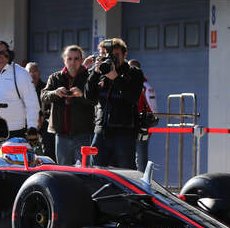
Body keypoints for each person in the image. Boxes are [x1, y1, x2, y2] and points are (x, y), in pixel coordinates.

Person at [83, 38, 143, 168]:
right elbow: (89, 97)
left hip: (124, 132)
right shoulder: (99, 72)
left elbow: (132, 98)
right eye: (106, 55)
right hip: (101, 131)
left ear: (125, 54)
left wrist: (116, 78)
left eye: (116, 55)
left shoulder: (134, 73)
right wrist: (95, 73)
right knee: (97, 171)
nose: (111, 59)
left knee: (125, 174)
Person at [41, 45, 94, 165]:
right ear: (64, 60)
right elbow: (43, 96)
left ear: (81, 60)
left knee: (85, 170)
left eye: (76, 59)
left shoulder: (89, 77)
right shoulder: (55, 77)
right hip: (62, 134)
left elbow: (95, 100)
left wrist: (82, 95)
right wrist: (56, 93)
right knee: (64, 171)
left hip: (83, 133)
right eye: (69, 58)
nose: (73, 62)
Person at [129, 59, 158, 172]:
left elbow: (153, 111)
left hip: (141, 128)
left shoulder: (146, 87)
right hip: (127, 128)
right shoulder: (123, 85)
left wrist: (145, 124)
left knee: (141, 160)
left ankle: (142, 185)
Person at [26, 61, 55, 159]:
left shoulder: (45, 87)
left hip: (43, 121)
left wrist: (41, 118)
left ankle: (48, 159)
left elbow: (50, 107)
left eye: (35, 71)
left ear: (39, 73)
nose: (32, 74)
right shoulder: (22, 88)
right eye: (29, 71)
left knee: (48, 133)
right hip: (27, 121)